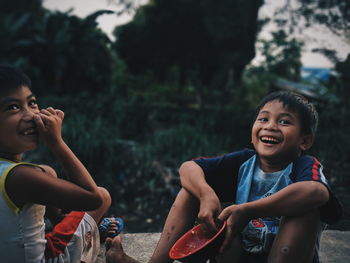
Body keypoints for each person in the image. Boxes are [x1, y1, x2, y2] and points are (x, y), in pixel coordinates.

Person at [105, 91, 342, 263]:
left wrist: (248, 210)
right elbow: (188, 168)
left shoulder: (304, 165)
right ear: (252, 132)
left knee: (306, 208)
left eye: (284, 121)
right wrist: (206, 195)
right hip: (238, 254)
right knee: (191, 191)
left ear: (305, 141)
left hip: (284, 255)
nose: (270, 126)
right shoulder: (244, 162)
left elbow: (316, 192)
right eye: (263, 118)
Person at [0, 65, 122, 263]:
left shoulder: (16, 174)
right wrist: (57, 143)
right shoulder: (21, 177)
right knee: (104, 195)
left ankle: (67, 224)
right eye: (13, 107)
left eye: (32, 103)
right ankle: (88, 241)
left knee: (48, 171)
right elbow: (93, 198)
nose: (32, 115)